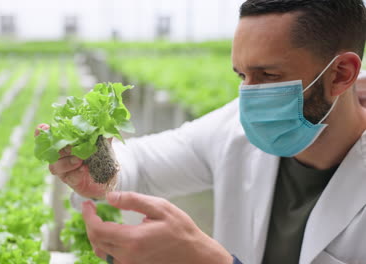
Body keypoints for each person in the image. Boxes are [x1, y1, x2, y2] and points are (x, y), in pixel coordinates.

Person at [35, 0, 366, 263]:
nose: (249, 97)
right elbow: (143, 162)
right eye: (241, 76)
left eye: (268, 75)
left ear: (341, 74)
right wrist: (101, 168)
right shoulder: (232, 128)